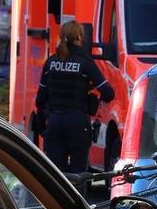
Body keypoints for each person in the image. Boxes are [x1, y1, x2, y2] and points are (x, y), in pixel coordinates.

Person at [35, 20, 115, 174]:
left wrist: (43, 125)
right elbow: (108, 93)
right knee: (78, 176)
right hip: (78, 125)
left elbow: (40, 100)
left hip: (54, 123)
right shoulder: (85, 62)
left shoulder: (51, 62)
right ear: (79, 37)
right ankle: (75, 198)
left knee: (56, 177)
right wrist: (90, 91)